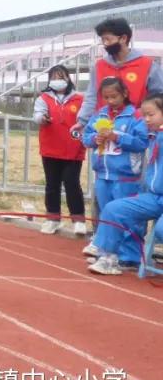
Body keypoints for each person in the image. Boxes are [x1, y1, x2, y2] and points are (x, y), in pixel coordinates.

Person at [88, 93, 163, 275]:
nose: (146, 119)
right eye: (144, 115)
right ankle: (108, 257)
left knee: (161, 230)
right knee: (114, 209)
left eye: (150, 115)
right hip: (154, 197)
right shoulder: (153, 136)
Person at [81, 77, 148, 267]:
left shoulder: (136, 116)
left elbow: (142, 142)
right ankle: (107, 252)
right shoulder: (100, 115)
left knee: (128, 217)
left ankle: (130, 256)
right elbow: (86, 138)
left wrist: (117, 137)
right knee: (106, 214)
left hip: (126, 177)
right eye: (106, 97)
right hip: (103, 174)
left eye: (114, 96)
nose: (110, 101)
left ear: (125, 94)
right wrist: (95, 138)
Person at [76, 17, 163, 132]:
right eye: (103, 40)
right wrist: (82, 121)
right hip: (104, 129)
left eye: (108, 39)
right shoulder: (99, 66)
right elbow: (91, 97)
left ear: (123, 38)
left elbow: (159, 96)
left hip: (136, 129)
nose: (105, 44)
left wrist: (147, 118)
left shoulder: (147, 65)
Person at [32, 65, 87, 236]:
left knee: (72, 184)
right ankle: (53, 219)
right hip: (50, 149)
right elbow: (37, 115)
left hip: (73, 149)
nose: (58, 80)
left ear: (68, 78)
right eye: (54, 77)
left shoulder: (80, 99)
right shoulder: (44, 98)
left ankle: (78, 220)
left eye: (61, 76)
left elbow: (86, 118)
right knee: (52, 185)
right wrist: (43, 119)